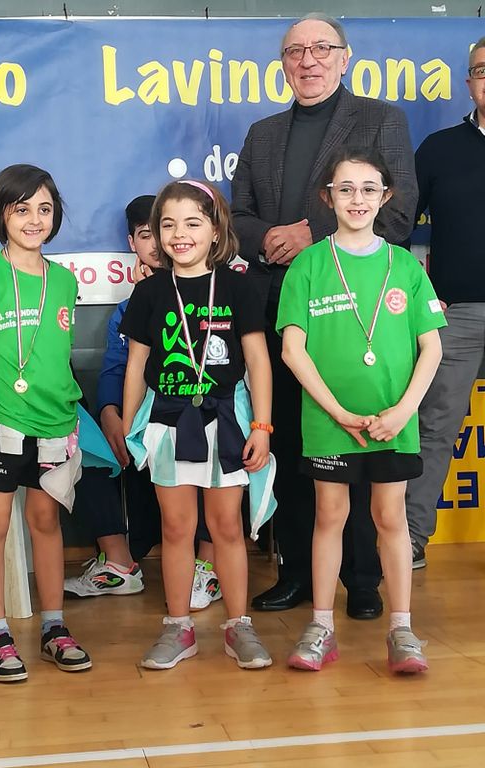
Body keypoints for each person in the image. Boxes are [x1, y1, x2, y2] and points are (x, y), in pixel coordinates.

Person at [231, 12, 418, 618]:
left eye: (320, 48)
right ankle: (296, 573)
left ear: (344, 57)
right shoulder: (262, 133)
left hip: (361, 321)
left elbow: (399, 214)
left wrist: (309, 232)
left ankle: (362, 580)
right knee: (292, 442)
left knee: (360, 447)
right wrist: (269, 240)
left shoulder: (381, 120)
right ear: (283, 63)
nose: (307, 60)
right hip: (282, 311)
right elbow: (238, 216)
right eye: (294, 51)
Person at [278, 146, 445, 673]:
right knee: (329, 516)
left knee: (390, 517)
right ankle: (321, 627)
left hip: (394, 422)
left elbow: (432, 347)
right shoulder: (308, 264)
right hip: (329, 421)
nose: (357, 199)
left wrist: (403, 411)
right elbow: (293, 350)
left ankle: (402, 630)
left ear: (386, 196)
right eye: (345, 189)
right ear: (327, 197)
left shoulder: (405, 266)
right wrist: (336, 412)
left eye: (369, 189)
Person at [121, 179, 275, 670]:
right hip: (167, 422)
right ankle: (178, 627)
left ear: (215, 230)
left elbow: (258, 361)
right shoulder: (149, 292)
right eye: (168, 225)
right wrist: (129, 428)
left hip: (227, 420)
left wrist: (263, 426)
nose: (179, 234)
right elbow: (136, 365)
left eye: (192, 223)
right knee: (176, 526)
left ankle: (238, 626)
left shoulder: (238, 286)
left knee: (227, 525)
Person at [0, 164, 91, 683]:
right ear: (1, 215)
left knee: (46, 521)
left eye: (45, 209)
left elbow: (56, 353)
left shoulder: (64, 281)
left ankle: (54, 627)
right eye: (22, 209)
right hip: (0, 424)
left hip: (55, 422)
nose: (34, 219)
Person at [64, 196, 222, 611]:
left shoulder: (215, 292)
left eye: (169, 229)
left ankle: (207, 566)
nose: (160, 242)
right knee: (81, 440)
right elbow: (118, 368)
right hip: (140, 419)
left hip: (194, 413)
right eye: (147, 234)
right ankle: (118, 563)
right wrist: (110, 414)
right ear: (133, 243)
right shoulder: (129, 307)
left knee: (213, 437)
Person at [405, 37, 485, 569]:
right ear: (469, 82)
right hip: (458, 312)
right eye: (482, 70)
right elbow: (403, 228)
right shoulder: (438, 149)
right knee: (434, 425)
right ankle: (410, 538)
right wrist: (422, 294)